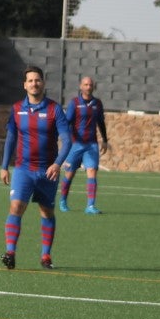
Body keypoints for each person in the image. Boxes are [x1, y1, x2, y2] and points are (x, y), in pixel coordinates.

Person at [0, 66, 71, 270]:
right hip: (23, 169)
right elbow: (11, 138)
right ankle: (10, 252)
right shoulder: (16, 109)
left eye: (37, 80)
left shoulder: (54, 109)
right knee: (15, 207)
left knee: (46, 211)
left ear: (43, 83)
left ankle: (46, 256)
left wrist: (57, 164)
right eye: (30, 80)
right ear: (24, 85)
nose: (34, 83)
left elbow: (67, 141)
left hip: (47, 171)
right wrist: (4, 166)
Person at [59, 76, 110, 215]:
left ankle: (90, 206)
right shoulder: (74, 103)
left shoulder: (97, 104)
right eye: (86, 84)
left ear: (93, 87)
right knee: (69, 174)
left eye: (90, 85)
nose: (88, 87)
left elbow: (101, 123)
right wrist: (65, 140)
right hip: (75, 145)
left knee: (92, 172)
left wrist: (105, 140)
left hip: (91, 145)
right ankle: (63, 201)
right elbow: (67, 122)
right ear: (81, 86)